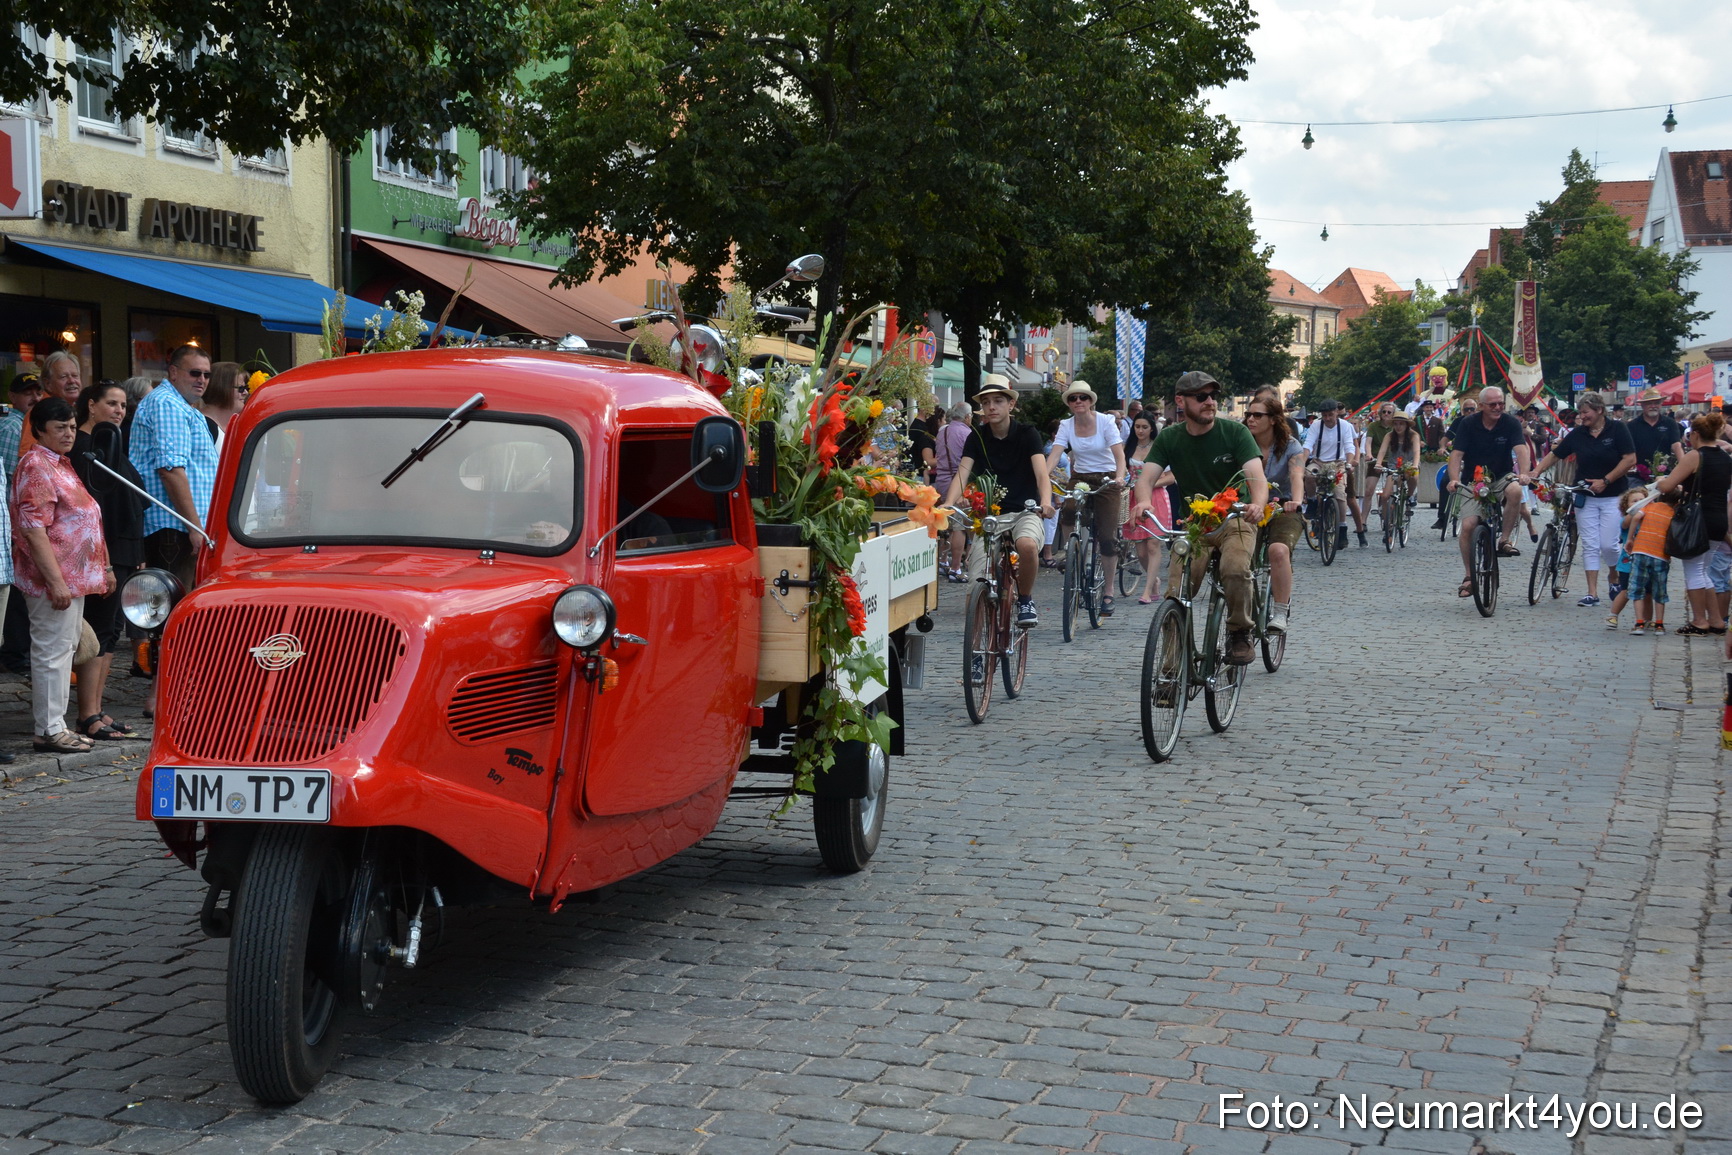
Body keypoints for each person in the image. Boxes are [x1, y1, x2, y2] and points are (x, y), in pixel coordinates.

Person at [1130, 371, 1269, 665]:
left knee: (1234, 569)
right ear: (1181, 401)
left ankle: (1239, 632)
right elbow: (1147, 476)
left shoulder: (1235, 432)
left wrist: (1256, 505)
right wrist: (1143, 501)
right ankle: (1171, 668)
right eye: (1201, 397)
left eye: (1213, 396)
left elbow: (1256, 477)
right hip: (1195, 526)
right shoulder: (1170, 437)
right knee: (1177, 591)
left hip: (1236, 519)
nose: (1210, 402)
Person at [12, 396, 112, 753]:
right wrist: (54, 581)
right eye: (60, 428)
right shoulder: (37, 464)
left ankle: (55, 725)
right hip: (52, 579)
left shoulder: (61, 463)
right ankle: (49, 730)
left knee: (64, 649)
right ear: (39, 430)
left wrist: (106, 566)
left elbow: (86, 517)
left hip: (74, 576)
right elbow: (33, 527)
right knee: (52, 652)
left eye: (72, 426)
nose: (69, 433)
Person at [941, 376, 1055, 628]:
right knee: (976, 583)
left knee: (1026, 545)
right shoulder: (977, 436)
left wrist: (1046, 501)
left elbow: (1040, 473)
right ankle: (976, 653)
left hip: (1025, 511)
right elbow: (963, 471)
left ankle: (1025, 598)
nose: (992, 406)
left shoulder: (1028, 434)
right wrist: (948, 502)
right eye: (986, 402)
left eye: (998, 401)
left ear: (1011, 405)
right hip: (990, 518)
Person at [71, 381, 146, 741]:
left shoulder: (112, 443)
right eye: (111, 404)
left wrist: (139, 555)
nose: (119, 410)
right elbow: (97, 512)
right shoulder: (86, 448)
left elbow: (132, 500)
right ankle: (87, 714)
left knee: (113, 632)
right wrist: (108, 562)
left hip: (128, 549)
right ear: (90, 406)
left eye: (123, 406)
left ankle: (97, 709)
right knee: (99, 630)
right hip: (107, 551)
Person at [1523, 391, 1633, 606]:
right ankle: (1592, 593)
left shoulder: (1617, 429)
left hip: (1612, 495)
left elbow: (1630, 459)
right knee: (1590, 544)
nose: (1582, 417)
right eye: (1581, 414)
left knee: (1609, 545)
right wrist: (1536, 471)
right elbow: (1556, 454)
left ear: (1599, 410)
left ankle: (1613, 575)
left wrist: (1606, 480)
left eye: (1586, 412)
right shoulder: (1578, 434)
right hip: (1585, 495)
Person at [129, 343, 218, 591]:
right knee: (169, 610)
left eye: (206, 374)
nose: (202, 380)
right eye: (195, 373)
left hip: (183, 526)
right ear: (173, 372)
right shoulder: (168, 404)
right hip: (173, 526)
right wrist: (195, 527)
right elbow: (171, 471)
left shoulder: (181, 405)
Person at [1046, 381, 1128, 615]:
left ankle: (1109, 592)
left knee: (1107, 535)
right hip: (1080, 476)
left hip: (1107, 479)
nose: (1078, 401)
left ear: (1091, 401)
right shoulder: (1065, 425)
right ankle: (1072, 553)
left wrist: (1120, 477)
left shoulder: (1106, 421)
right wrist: (1042, 475)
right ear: (1069, 404)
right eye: (1073, 398)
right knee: (1068, 511)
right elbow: (1055, 455)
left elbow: (1119, 454)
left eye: (1083, 397)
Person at [1448, 386, 1534, 598]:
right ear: (1481, 406)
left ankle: (1504, 540)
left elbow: (1521, 449)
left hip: (1501, 476)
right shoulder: (1468, 424)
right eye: (1493, 404)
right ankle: (1469, 576)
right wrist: (1454, 479)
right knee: (1468, 525)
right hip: (1474, 479)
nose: (1498, 408)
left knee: (1515, 490)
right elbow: (1457, 454)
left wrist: (1524, 473)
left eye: (1501, 404)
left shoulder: (1511, 423)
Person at [1655, 411, 1732, 636]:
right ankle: (1716, 620)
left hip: (1697, 519)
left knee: (1695, 571)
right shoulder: (1725, 457)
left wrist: (1660, 482)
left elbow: (1669, 486)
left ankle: (1699, 621)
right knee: (1705, 570)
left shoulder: (1696, 456)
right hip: (1718, 519)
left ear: (1696, 434)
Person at [1244, 393, 1303, 635]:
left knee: (1278, 550)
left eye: (1257, 415)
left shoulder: (1290, 446)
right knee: (1237, 554)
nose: (1250, 419)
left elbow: (1296, 475)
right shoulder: (1242, 442)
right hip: (1249, 508)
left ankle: (1280, 610)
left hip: (1283, 506)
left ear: (1273, 419)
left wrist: (1297, 501)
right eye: (1248, 414)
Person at [1121, 414, 1171, 604]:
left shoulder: (1159, 448)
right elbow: (1123, 471)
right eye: (1137, 427)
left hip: (1156, 497)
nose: (1140, 431)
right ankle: (1154, 580)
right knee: (1141, 550)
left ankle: (1147, 590)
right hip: (1134, 498)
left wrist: (1150, 483)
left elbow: (1171, 477)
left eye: (1144, 427)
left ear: (1152, 429)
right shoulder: (1129, 448)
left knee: (1153, 544)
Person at [1301, 398, 1365, 548]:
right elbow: (1308, 445)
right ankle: (1311, 501)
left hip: (1338, 463)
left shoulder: (1345, 426)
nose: (1328, 419)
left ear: (1336, 413)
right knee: (1309, 475)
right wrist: (1301, 464)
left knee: (1340, 493)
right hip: (1319, 461)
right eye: (1325, 416)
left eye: (1330, 415)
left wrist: (1349, 463)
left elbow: (1350, 447)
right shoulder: (1316, 426)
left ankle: (1342, 527)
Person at [1605, 487, 1668, 634]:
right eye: (1634, 501)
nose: (1639, 503)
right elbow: (1627, 522)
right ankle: (1613, 615)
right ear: (1626, 506)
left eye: (1642, 500)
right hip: (1629, 563)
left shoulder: (1651, 517)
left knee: (1648, 591)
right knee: (1627, 590)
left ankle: (1647, 619)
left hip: (1648, 560)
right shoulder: (1627, 519)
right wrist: (1636, 509)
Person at [932, 401, 974, 583]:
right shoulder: (967, 433)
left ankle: (942, 561)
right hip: (958, 484)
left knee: (942, 523)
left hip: (940, 482)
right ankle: (956, 568)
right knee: (959, 527)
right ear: (966, 417)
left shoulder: (942, 431)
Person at [1372, 409, 1422, 528]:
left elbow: (1416, 452)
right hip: (1394, 467)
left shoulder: (1414, 436)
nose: (1398, 427)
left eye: (1401, 424)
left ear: (1406, 425)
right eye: (1396, 424)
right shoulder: (1389, 435)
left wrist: (1415, 465)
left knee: (1414, 477)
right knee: (1385, 496)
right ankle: (1387, 522)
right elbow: (1382, 451)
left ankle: (1410, 496)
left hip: (1409, 465)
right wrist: (1378, 463)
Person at [1627, 387, 1684, 474]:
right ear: (1642, 405)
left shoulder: (1670, 423)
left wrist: (1684, 466)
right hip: (1638, 473)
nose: (1653, 406)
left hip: (1664, 472)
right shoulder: (1632, 425)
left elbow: (1676, 446)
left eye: (1656, 403)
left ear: (1661, 404)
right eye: (1649, 404)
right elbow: (1627, 450)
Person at [0, 372, 42, 488]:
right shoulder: (12, 427)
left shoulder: (29, 424)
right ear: (12, 397)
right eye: (28, 393)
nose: (36, 398)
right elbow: (5, 479)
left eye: (39, 393)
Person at [201, 361, 249, 448]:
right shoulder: (202, 426)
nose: (246, 392)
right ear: (222, 388)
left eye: (246, 388)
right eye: (241, 388)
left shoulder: (234, 426)